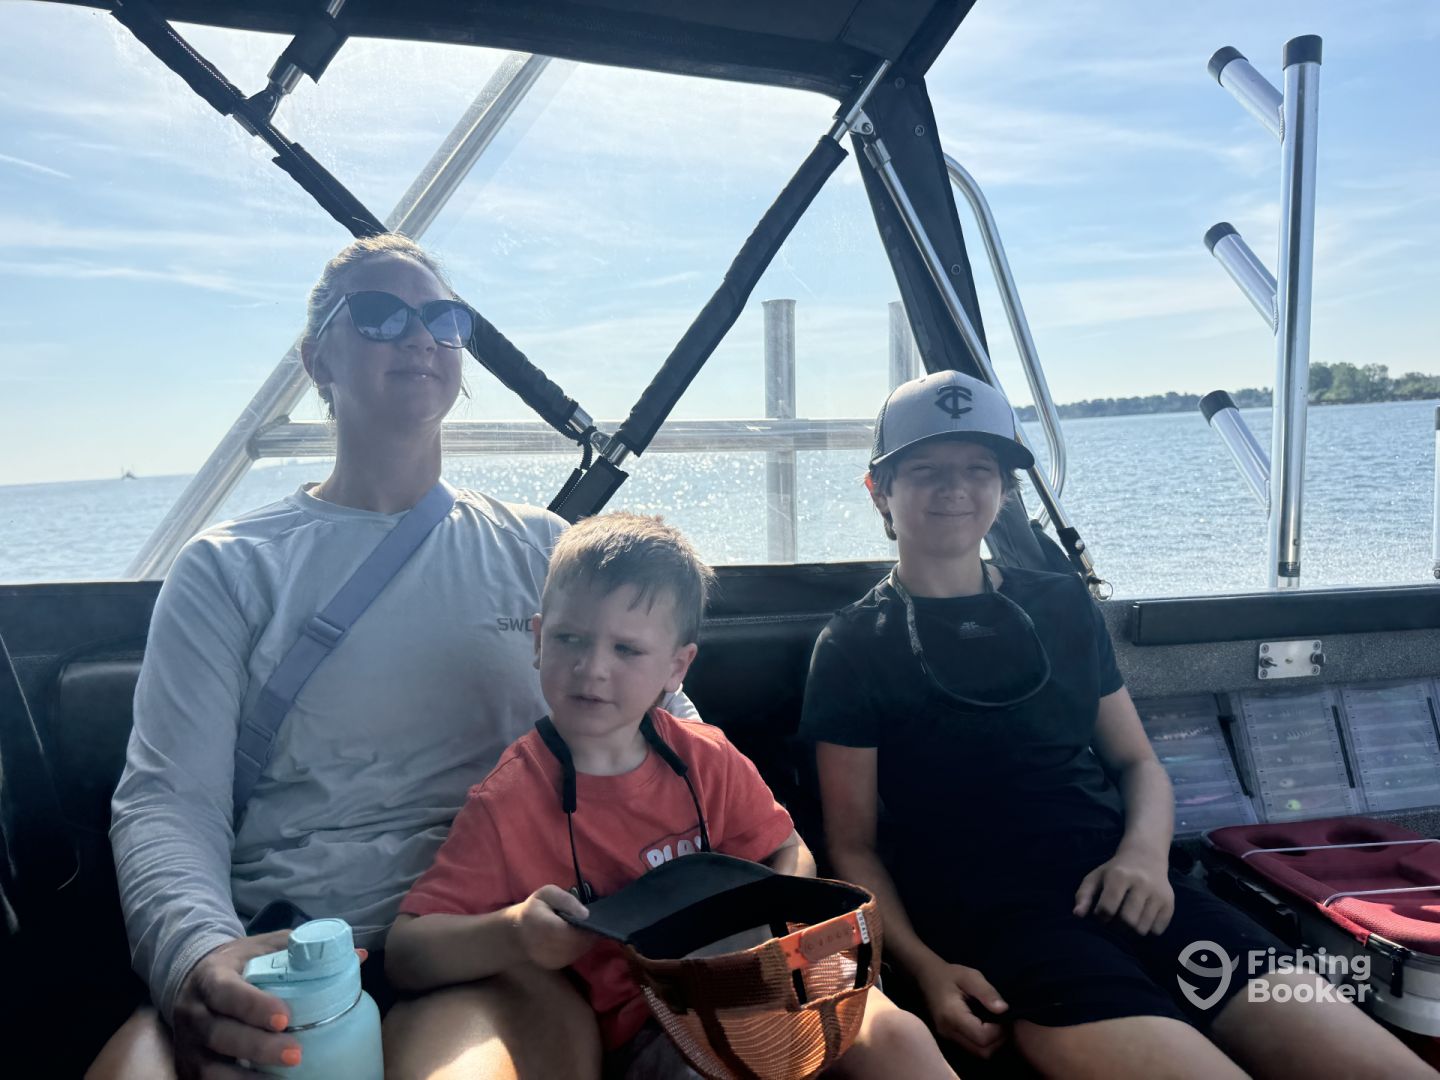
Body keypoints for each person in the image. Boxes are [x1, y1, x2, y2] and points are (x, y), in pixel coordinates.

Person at [89, 235, 697, 1079]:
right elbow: (168, 800)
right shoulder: (228, 567)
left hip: (484, 945)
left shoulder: (543, 551)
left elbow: (671, 732)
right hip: (281, 947)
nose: (419, 337)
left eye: (444, 319)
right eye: (379, 315)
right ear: (317, 359)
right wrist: (194, 956)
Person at [802, 369, 1436, 1080]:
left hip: (1139, 889)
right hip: (1002, 924)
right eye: (926, 470)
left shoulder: (1062, 605)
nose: (956, 488)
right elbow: (852, 846)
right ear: (879, 491)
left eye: (979, 468)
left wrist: (1143, 857)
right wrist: (924, 971)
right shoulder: (854, 644)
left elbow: (1138, 764)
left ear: (1005, 487)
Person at [387, 512, 958, 1079]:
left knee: (898, 1035)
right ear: (537, 640)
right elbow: (408, 952)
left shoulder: (708, 759)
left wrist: (776, 920)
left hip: (767, 986)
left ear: (676, 666)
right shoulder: (507, 802)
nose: (592, 668)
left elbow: (789, 849)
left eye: (626, 650)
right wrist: (516, 932)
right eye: (569, 638)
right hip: (659, 1029)